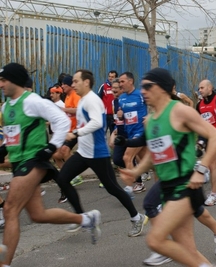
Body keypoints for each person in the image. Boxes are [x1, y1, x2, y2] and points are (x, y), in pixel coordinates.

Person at [119, 67, 216, 267]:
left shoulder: (179, 110)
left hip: (184, 186)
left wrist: (201, 170)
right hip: (167, 189)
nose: (143, 91)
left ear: (162, 88)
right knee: (187, 252)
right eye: (142, 87)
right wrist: (135, 171)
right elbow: (153, 155)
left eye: (148, 86)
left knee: (155, 240)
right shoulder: (151, 120)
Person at [0, 63, 100, 267]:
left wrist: (51, 147)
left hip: (34, 160)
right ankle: (86, 219)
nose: (0, 84)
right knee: (38, 215)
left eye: (3, 80)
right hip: (19, 162)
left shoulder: (32, 101)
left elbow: (61, 121)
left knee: (10, 209)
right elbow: (13, 134)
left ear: (15, 80)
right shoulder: (6, 106)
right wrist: (3, 148)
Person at [57, 69, 147, 237]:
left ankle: (137, 217)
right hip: (84, 153)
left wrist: (76, 134)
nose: (73, 84)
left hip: (97, 154)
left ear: (86, 82)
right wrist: (70, 143)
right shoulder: (84, 100)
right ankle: (84, 218)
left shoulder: (92, 100)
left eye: (76, 81)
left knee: (113, 188)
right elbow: (83, 124)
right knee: (62, 179)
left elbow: (97, 123)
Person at [52, 75, 82, 202]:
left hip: (76, 130)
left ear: (70, 85)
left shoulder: (75, 95)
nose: (62, 86)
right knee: (56, 156)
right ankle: (70, 175)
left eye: (64, 84)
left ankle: (73, 175)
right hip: (68, 130)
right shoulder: (68, 96)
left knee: (64, 151)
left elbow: (78, 110)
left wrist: (63, 109)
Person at [117, 71, 148, 194]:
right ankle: (169, 176)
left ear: (131, 81)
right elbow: (123, 116)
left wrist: (151, 116)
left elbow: (155, 105)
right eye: (119, 82)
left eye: (122, 81)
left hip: (140, 131)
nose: (120, 84)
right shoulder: (121, 98)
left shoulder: (141, 95)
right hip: (129, 132)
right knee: (147, 160)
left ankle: (132, 186)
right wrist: (120, 116)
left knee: (127, 157)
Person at [97, 70, 118, 135]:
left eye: (112, 77)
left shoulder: (119, 87)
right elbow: (98, 99)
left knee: (114, 133)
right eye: (109, 76)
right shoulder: (104, 86)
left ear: (116, 78)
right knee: (102, 133)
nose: (110, 78)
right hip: (105, 115)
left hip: (114, 115)